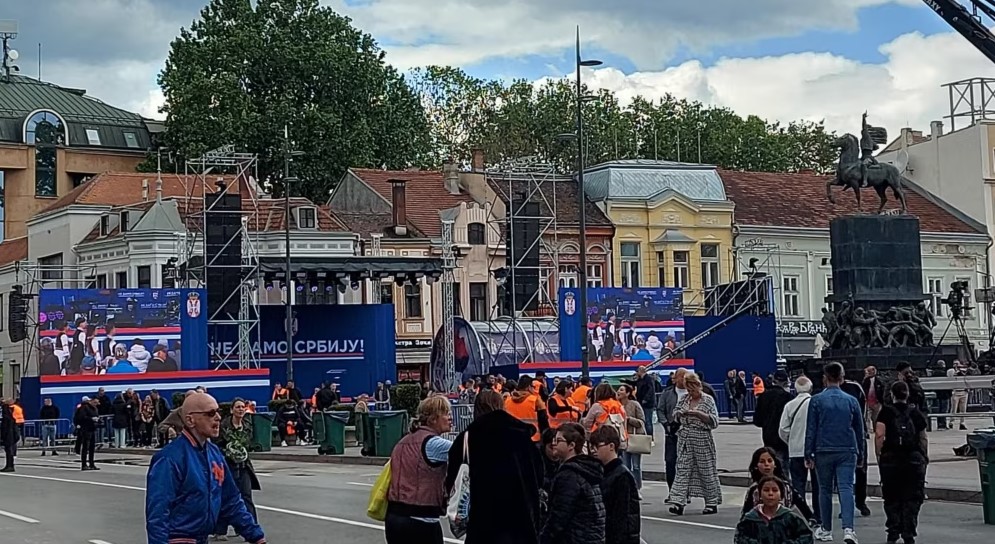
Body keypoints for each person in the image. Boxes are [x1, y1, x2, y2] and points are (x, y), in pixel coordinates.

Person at [146, 393, 265, 544]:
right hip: (177, 540)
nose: (218, 418)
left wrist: (256, 536)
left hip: (202, 539)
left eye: (218, 412)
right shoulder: (169, 458)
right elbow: (158, 513)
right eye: (210, 413)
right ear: (190, 420)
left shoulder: (215, 454)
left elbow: (231, 501)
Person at [445, 389, 544, 544]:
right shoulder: (521, 434)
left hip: (483, 521)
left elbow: (450, 475)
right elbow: (539, 474)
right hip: (520, 520)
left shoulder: (468, 437)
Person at [804, 362, 864, 544]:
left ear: (825, 378)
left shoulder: (816, 400)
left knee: (824, 489)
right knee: (846, 488)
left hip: (823, 449)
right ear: (842, 378)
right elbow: (859, 430)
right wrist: (860, 453)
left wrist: (808, 453)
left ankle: (826, 529)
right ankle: (848, 529)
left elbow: (811, 428)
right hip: (847, 448)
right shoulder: (851, 400)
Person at [385, 396, 453, 544]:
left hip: (394, 517)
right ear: (433, 419)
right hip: (421, 519)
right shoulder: (434, 444)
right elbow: (468, 450)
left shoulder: (402, 442)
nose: (450, 418)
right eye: (446, 413)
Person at [875, 381, 928, 544]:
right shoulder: (916, 413)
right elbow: (923, 438)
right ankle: (908, 531)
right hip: (912, 459)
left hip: (891, 459)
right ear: (907, 394)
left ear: (892, 394)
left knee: (891, 496)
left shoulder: (886, 412)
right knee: (912, 497)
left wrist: (879, 455)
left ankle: (893, 530)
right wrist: (924, 457)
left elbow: (879, 435)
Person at [666, 372, 722, 515]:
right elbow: (676, 414)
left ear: (699, 386)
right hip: (685, 438)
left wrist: (699, 415)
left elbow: (715, 421)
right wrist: (679, 414)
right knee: (682, 470)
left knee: (706, 469)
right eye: (688, 390)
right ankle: (678, 502)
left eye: (693, 389)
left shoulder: (708, 400)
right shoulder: (684, 399)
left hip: (702, 438)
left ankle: (711, 501)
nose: (691, 393)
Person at [540, 422, 605, 544]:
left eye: (559, 440)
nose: (554, 444)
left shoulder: (569, 475)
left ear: (571, 446)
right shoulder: (587, 469)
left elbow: (559, 516)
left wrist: (543, 539)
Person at [213, 398, 261, 541]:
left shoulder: (247, 425)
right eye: (238, 407)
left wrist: (241, 451)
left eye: (242, 407)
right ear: (232, 410)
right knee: (227, 497)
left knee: (246, 496)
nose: (240, 409)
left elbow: (249, 442)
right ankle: (220, 530)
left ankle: (250, 529)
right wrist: (228, 451)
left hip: (243, 465)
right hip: (227, 465)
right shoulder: (224, 426)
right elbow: (216, 443)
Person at [779, 376, 820, 529]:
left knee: (798, 485)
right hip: (816, 450)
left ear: (795, 389)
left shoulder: (790, 405)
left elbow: (783, 429)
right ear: (810, 388)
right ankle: (819, 515)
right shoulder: (817, 403)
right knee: (818, 485)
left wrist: (791, 440)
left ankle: (801, 516)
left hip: (796, 451)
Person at [740, 446, 817, 525]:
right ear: (756, 466)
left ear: (775, 464)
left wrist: (811, 520)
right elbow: (745, 514)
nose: (766, 464)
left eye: (770, 461)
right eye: (762, 461)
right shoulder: (753, 489)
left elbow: (802, 506)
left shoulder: (786, 487)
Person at [590, 425, 640, 544]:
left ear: (611, 446)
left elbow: (621, 517)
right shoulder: (603, 472)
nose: (593, 450)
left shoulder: (622, 476)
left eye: (597, 446)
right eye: (591, 446)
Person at [735, 475, 815, 544]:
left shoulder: (791, 518)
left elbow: (807, 537)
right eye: (766, 490)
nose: (770, 493)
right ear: (760, 495)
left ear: (781, 495)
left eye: (775, 490)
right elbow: (740, 539)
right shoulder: (749, 519)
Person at [840, 373, 871, 517]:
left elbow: (863, 409)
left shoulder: (854, 387)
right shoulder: (829, 391)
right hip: (845, 435)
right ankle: (848, 504)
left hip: (854, 433)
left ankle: (860, 501)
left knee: (860, 471)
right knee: (846, 474)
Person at [754, 370, 793, 468]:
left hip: (768, 436)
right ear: (786, 382)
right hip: (783, 438)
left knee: (770, 465)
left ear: (773, 380)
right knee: (783, 466)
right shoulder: (788, 397)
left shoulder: (763, 396)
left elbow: (757, 421)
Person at [657, 368, 687, 488]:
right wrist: (666, 425)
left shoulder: (691, 393)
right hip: (671, 433)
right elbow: (660, 410)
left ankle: (685, 492)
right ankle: (672, 490)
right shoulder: (667, 393)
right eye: (682, 377)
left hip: (687, 433)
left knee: (686, 463)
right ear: (676, 378)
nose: (684, 380)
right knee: (670, 462)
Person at [616, 384, 646, 490]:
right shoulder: (616, 405)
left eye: (621, 390)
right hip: (623, 438)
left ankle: (637, 488)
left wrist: (629, 419)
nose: (618, 392)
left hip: (634, 437)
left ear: (628, 393)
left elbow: (642, 421)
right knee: (625, 465)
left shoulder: (634, 404)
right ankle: (628, 487)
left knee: (636, 466)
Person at [75, 396, 100, 471]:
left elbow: (96, 416)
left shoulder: (95, 408)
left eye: (97, 403)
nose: (96, 404)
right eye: (95, 402)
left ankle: (92, 463)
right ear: (91, 401)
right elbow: (81, 417)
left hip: (92, 429)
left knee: (92, 447)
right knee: (85, 447)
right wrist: (91, 419)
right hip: (86, 429)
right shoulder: (84, 407)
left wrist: (98, 420)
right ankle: (84, 464)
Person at [1, 399, 17, 472]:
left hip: (8, 433)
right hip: (9, 432)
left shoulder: (6, 412)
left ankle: (10, 465)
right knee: (8, 449)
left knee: (9, 449)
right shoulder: (8, 411)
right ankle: (9, 465)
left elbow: (7, 423)